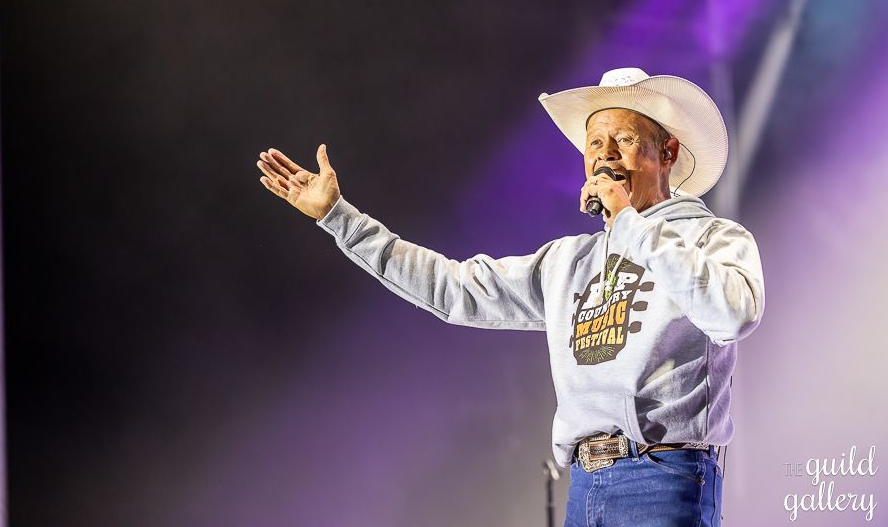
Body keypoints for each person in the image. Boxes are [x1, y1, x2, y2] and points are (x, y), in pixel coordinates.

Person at [256, 68, 765, 527]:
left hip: (665, 478)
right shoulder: (569, 262)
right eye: (594, 143)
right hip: (586, 485)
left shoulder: (713, 239)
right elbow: (453, 289)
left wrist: (632, 227)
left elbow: (733, 315)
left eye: (624, 139)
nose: (604, 154)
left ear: (668, 153)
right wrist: (339, 218)